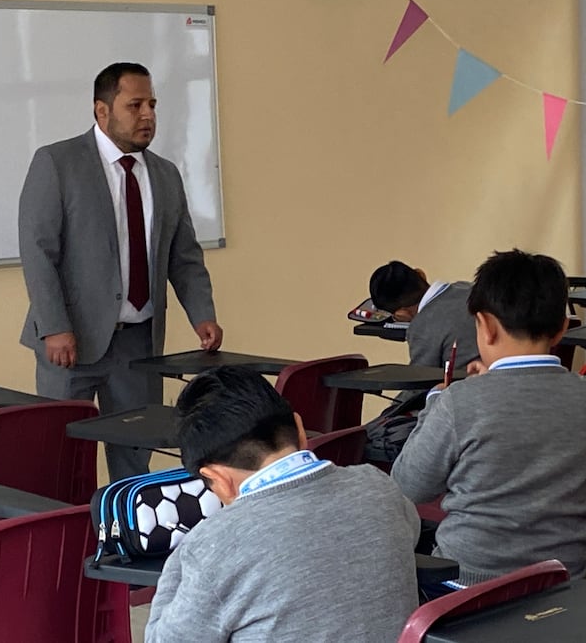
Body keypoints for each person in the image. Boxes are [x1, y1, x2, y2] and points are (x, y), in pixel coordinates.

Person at [18, 62, 222, 480]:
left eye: (152, 104)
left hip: (138, 344)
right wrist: (54, 326)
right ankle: (72, 542)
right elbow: (38, 251)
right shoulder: (57, 163)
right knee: (62, 455)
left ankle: (126, 539)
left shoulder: (164, 174)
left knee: (135, 453)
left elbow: (183, 255)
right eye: (135, 105)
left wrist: (202, 314)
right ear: (102, 111)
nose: (148, 115)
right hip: (70, 342)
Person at [145, 366, 420, 642]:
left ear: (214, 477)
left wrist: (185, 552)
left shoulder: (214, 545)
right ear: (300, 430)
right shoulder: (379, 487)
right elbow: (411, 530)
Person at [392, 250, 586, 588]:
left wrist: (437, 400)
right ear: (561, 329)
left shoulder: (458, 403)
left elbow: (408, 484)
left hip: (468, 587)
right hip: (568, 587)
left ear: (485, 326)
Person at [365, 261, 480, 463]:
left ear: (400, 314)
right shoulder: (467, 289)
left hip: (462, 407)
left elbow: (417, 384)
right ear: (421, 274)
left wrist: (382, 419)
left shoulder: (423, 325)